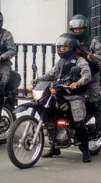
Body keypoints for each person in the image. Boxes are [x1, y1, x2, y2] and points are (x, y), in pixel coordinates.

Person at [37, 33, 93, 163]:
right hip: (60, 94)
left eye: (65, 47)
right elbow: (51, 74)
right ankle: (54, 147)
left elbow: (87, 75)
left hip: (75, 96)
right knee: (51, 118)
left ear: (72, 47)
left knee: (78, 121)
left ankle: (86, 151)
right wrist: (38, 79)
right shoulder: (61, 62)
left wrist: (78, 82)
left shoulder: (80, 60)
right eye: (60, 47)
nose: (62, 49)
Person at [68, 14, 101, 120]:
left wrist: (92, 56)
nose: (77, 31)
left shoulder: (93, 41)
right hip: (75, 73)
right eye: (75, 29)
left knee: (95, 99)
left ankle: (99, 123)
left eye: (80, 29)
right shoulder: (70, 41)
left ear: (85, 28)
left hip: (92, 74)